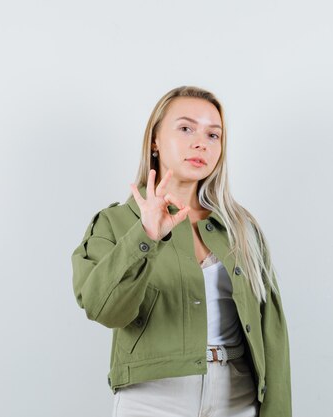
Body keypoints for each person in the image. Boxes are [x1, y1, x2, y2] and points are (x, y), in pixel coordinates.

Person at [71, 86, 292, 416]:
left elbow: (271, 332)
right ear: (155, 140)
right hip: (152, 396)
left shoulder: (240, 227)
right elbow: (104, 308)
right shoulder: (114, 223)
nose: (201, 142)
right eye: (186, 128)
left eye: (213, 134)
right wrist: (145, 236)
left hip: (238, 394)